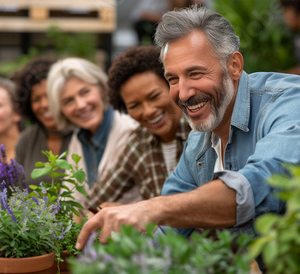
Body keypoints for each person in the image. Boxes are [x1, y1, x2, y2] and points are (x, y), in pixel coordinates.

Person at [76, 6, 300, 250]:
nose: (182, 93)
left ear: (234, 65)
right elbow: (165, 236)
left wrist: (152, 207)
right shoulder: (200, 143)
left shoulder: (295, 102)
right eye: (173, 79)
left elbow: (258, 186)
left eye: (195, 73)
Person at [86, 45, 191, 211]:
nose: (148, 111)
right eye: (134, 105)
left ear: (172, 86)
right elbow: (94, 202)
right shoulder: (138, 142)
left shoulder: (202, 131)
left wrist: (136, 209)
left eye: (155, 96)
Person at [46, 57, 140, 212]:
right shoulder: (79, 138)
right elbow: (69, 201)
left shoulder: (129, 129)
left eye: (85, 92)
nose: (81, 105)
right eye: (69, 101)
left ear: (102, 89)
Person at [13, 57, 74, 186]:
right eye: (36, 99)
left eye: (49, 95)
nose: (44, 105)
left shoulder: (83, 134)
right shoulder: (26, 140)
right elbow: (16, 190)